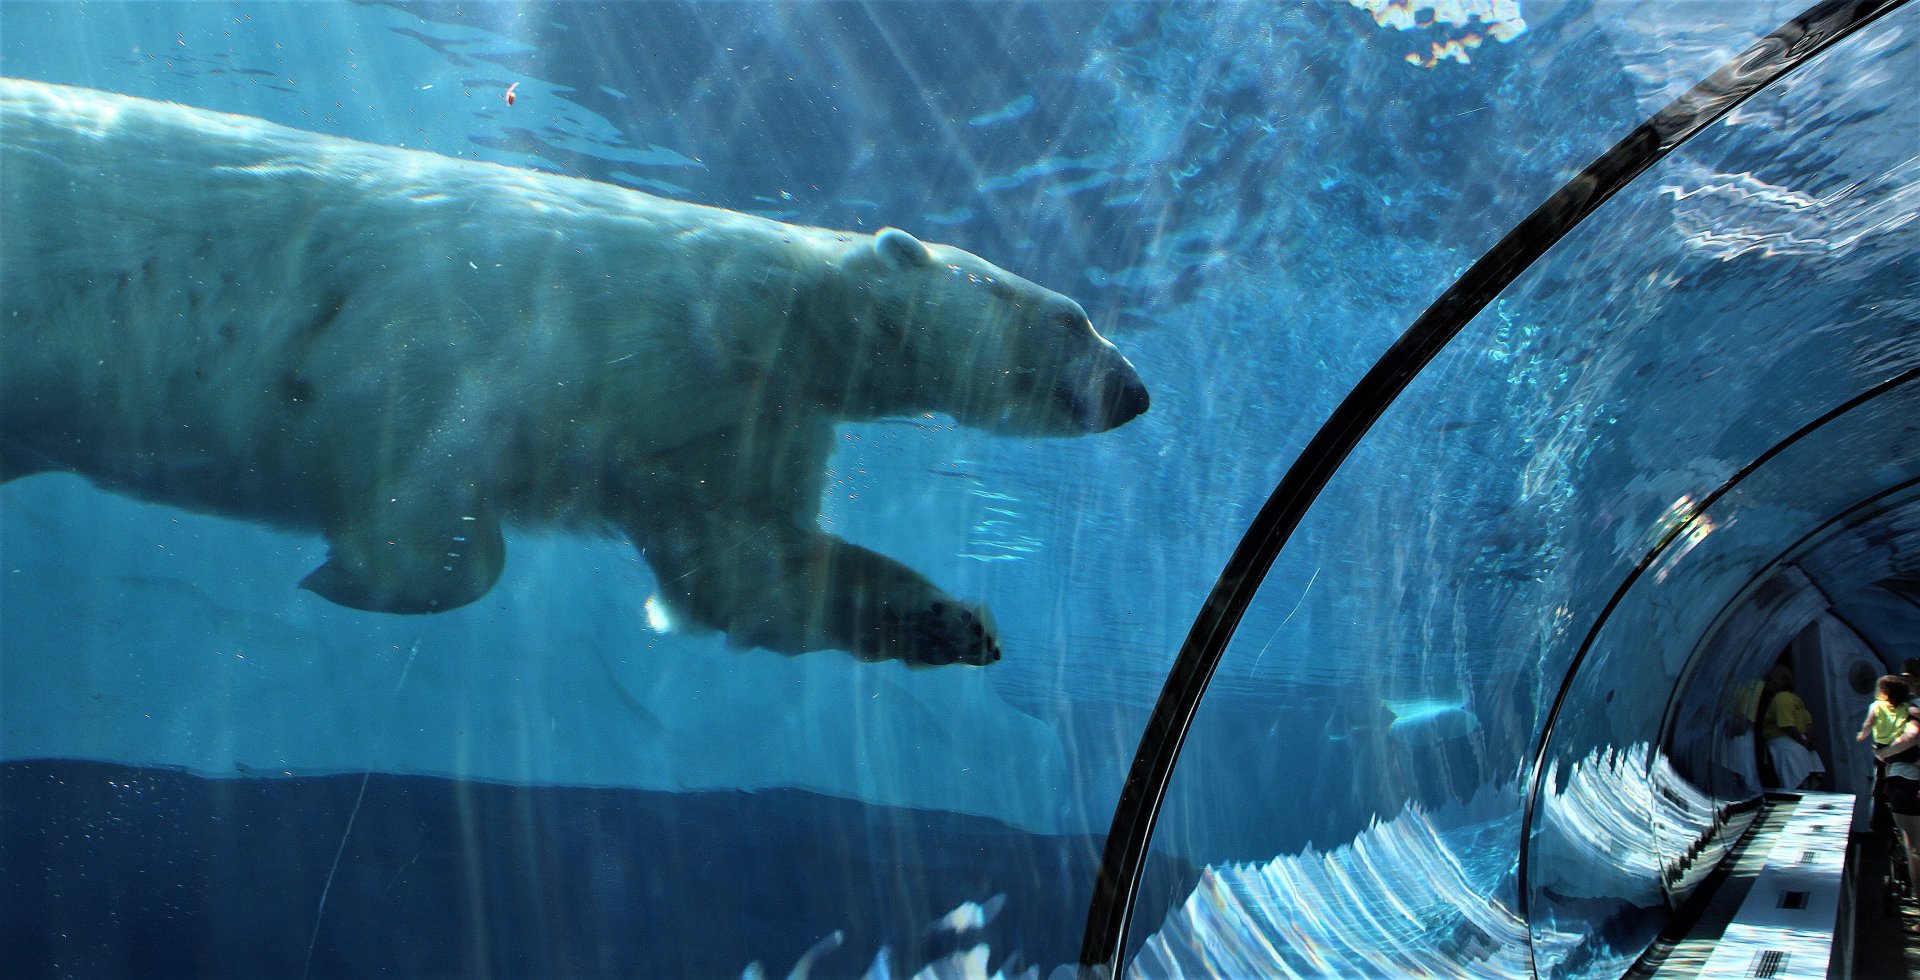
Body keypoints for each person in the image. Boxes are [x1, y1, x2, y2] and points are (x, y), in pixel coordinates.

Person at [1878, 703, 1920, 930]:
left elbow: (1910, 737)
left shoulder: (1908, 712)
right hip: (1905, 785)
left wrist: (1884, 754)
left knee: (1914, 849)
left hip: (1906, 786)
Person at [1758, 664, 1826, 791]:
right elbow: (1808, 721)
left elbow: (1787, 725)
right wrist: (1808, 740)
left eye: (1769, 680)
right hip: (1800, 745)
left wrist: (1804, 742)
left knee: (1792, 783)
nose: (1765, 684)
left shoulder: (1780, 698)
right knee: (1806, 782)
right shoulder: (1796, 699)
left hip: (1786, 748)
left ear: (1778, 682)